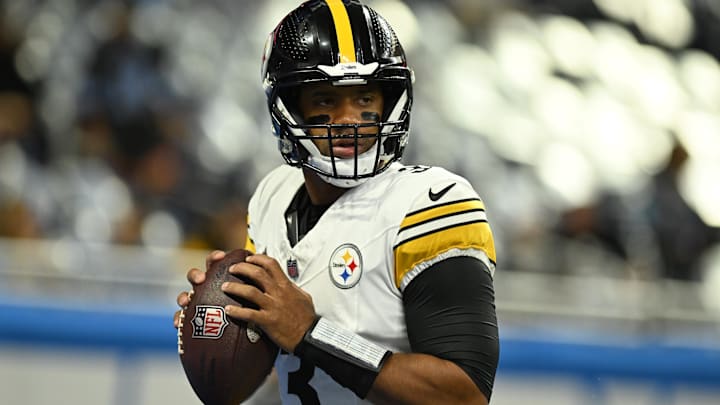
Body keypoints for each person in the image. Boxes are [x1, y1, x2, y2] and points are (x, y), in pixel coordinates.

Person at [174, 1, 499, 403]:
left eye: (365, 99)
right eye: (326, 100)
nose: (349, 119)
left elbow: (465, 396)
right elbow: (296, 374)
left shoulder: (431, 204)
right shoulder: (272, 198)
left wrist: (312, 333)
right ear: (288, 107)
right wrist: (226, 322)